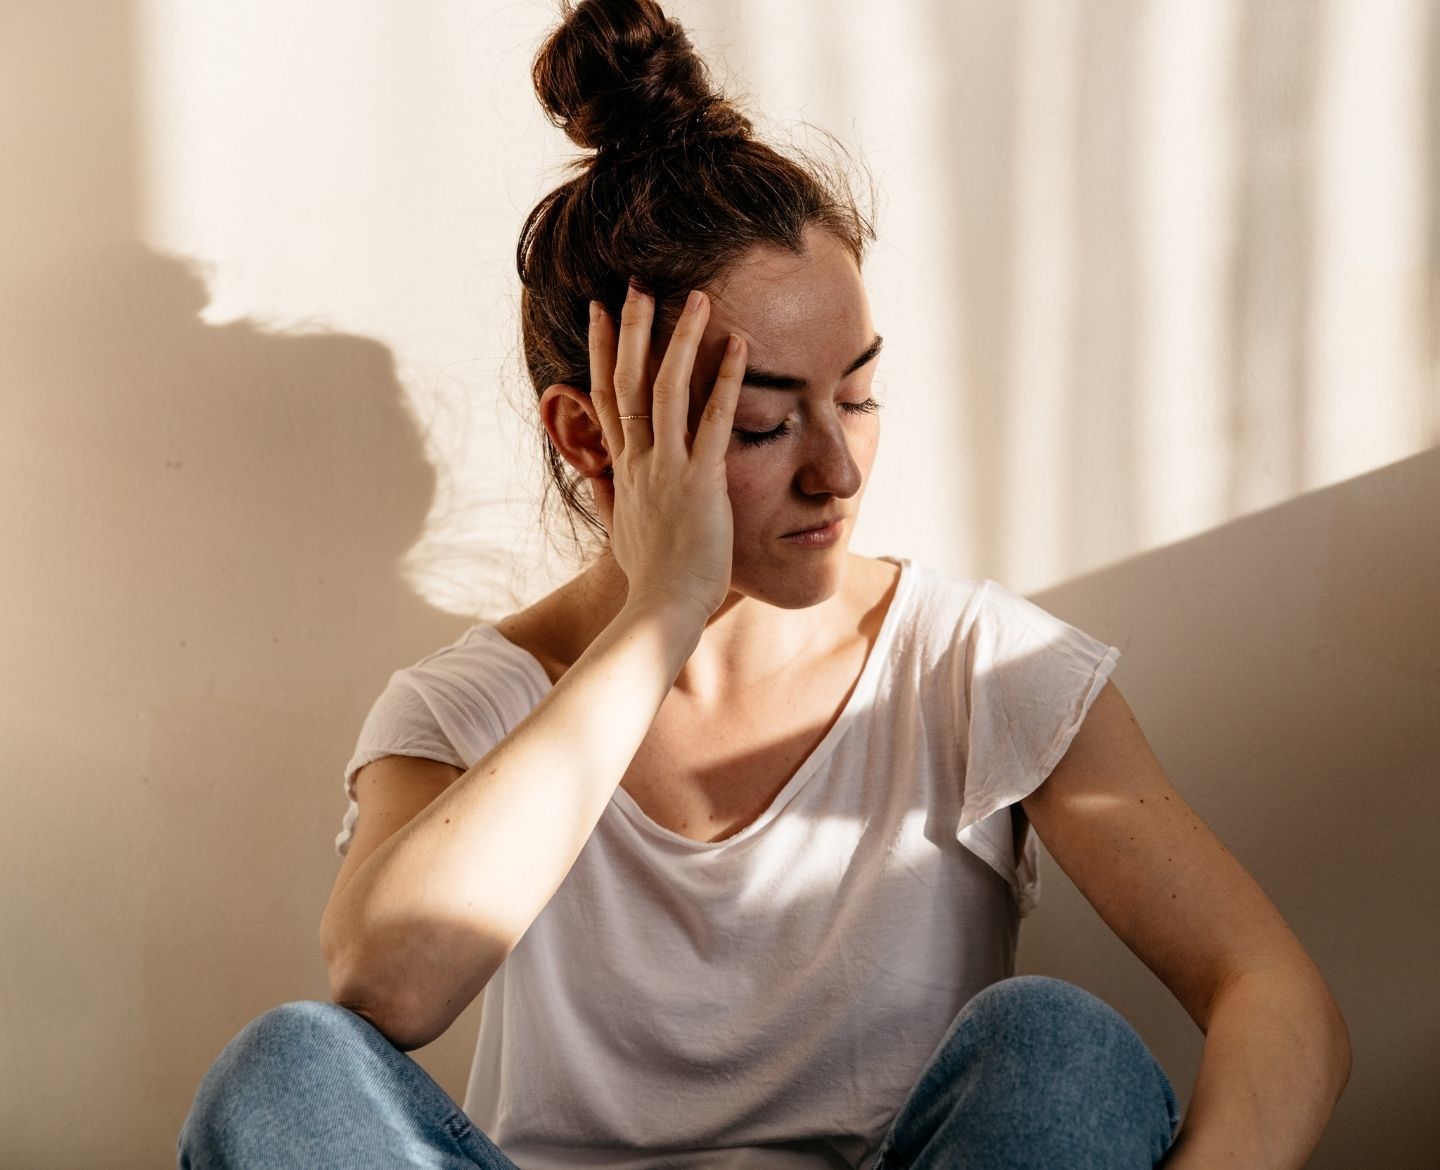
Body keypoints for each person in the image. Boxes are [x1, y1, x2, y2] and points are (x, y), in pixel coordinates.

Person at [178, 1, 1351, 1167]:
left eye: (857, 395)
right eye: (762, 424)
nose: (835, 470)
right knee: (287, 1067)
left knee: (1056, 1044)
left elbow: (1278, 1002)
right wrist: (658, 616)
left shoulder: (977, 668)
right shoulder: (459, 712)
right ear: (591, 438)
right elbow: (389, 984)